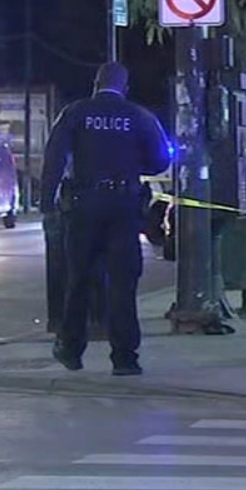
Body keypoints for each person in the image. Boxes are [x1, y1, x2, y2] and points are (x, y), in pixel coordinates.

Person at [40, 62, 172, 376]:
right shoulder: (139, 116)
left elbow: (54, 158)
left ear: (96, 83)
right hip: (124, 206)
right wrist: (129, 163)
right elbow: (160, 161)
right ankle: (125, 357)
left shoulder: (75, 112)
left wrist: (48, 203)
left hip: (84, 205)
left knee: (79, 278)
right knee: (123, 283)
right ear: (125, 87)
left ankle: (71, 348)